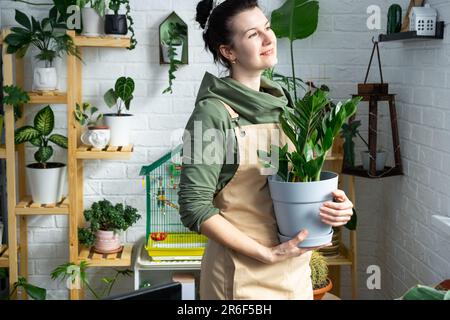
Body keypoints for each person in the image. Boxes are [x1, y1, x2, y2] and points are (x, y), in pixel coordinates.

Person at [178, 0, 354, 300]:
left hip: (293, 272)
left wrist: (337, 206)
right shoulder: (212, 114)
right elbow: (193, 206)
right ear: (228, 52)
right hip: (240, 277)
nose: (268, 38)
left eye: (267, 28)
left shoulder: (282, 107)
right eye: (252, 34)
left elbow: (290, 186)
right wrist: (266, 254)